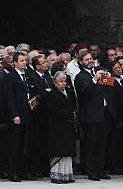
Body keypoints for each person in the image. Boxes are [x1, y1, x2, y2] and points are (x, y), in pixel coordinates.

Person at [74, 50, 111, 181]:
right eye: (86, 59)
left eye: (91, 59)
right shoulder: (80, 77)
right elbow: (84, 93)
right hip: (90, 116)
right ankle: (91, 171)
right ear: (80, 62)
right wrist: (95, 79)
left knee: (102, 144)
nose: (90, 61)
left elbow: (110, 86)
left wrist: (108, 78)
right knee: (91, 145)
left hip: (104, 113)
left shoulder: (100, 71)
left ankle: (100, 169)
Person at [45, 71, 77, 184]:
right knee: (59, 151)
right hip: (57, 126)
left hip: (67, 125)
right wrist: (68, 113)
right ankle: (56, 176)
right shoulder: (51, 94)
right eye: (61, 81)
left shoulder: (67, 91)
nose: (63, 83)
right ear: (55, 82)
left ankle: (66, 175)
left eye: (65, 81)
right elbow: (52, 110)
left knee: (67, 151)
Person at [4, 51, 32, 181]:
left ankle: (22, 169)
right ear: (15, 62)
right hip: (17, 115)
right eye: (21, 60)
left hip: (26, 113)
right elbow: (9, 98)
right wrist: (14, 114)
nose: (24, 62)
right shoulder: (11, 77)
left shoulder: (26, 75)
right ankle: (12, 171)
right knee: (14, 144)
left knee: (23, 144)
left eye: (25, 60)